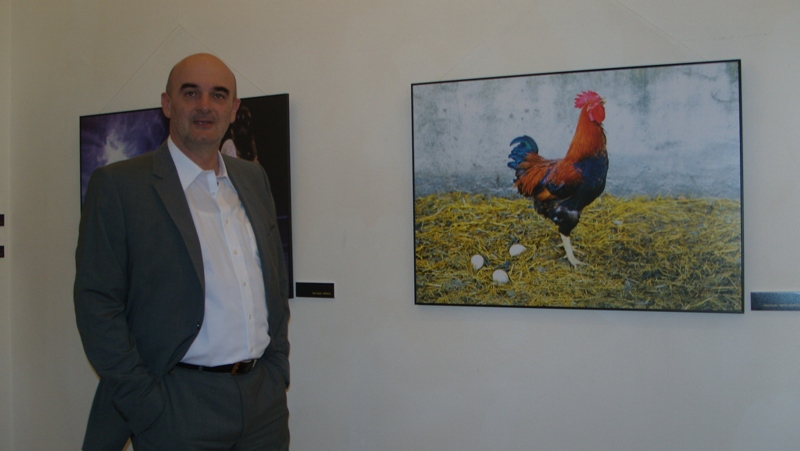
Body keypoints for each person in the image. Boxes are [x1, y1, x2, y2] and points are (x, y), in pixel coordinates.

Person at [74, 53, 290, 451]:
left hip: (263, 405)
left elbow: (274, 281)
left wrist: (277, 369)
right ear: (167, 103)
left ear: (233, 109)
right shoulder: (120, 186)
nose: (205, 105)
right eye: (191, 93)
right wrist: (146, 404)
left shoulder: (253, 178)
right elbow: (97, 304)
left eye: (218, 95)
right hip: (177, 406)